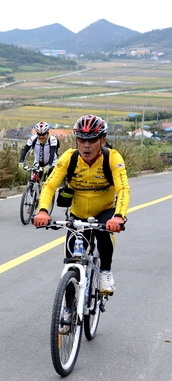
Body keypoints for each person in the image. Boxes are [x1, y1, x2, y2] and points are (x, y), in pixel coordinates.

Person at [33, 115, 130, 294]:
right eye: (81, 139)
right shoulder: (69, 157)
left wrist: (118, 216)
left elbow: (123, 188)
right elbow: (50, 185)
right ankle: (68, 311)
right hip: (77, 214)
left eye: (92, 140)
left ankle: (105, 272)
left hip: (104, 212)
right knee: (71, 264)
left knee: (104, 236)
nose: (86, 145)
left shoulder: (112, 157)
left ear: (103, 140)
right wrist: (43, 211)